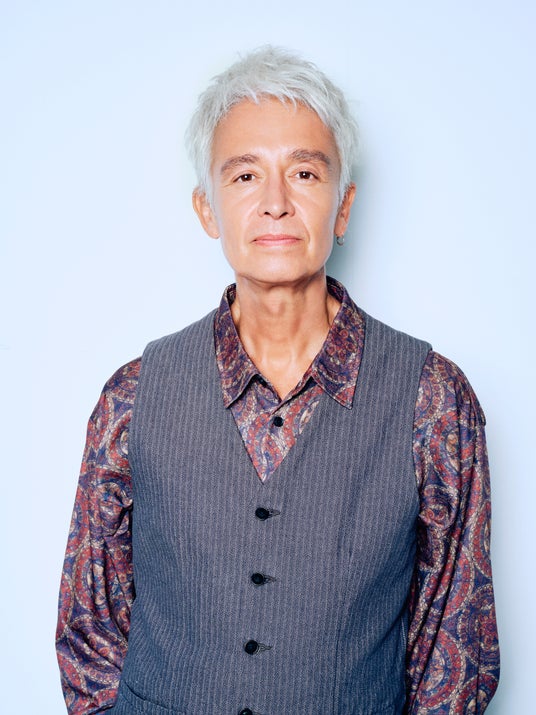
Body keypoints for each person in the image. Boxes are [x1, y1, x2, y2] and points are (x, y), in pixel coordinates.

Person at [56, 46, 499, 714]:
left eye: (304, 173)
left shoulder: (432, 400)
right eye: (244, 176)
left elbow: (454, 646)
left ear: (343, 207)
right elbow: (89, 628)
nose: (275, 204)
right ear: (207, 209)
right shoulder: (133, 397)